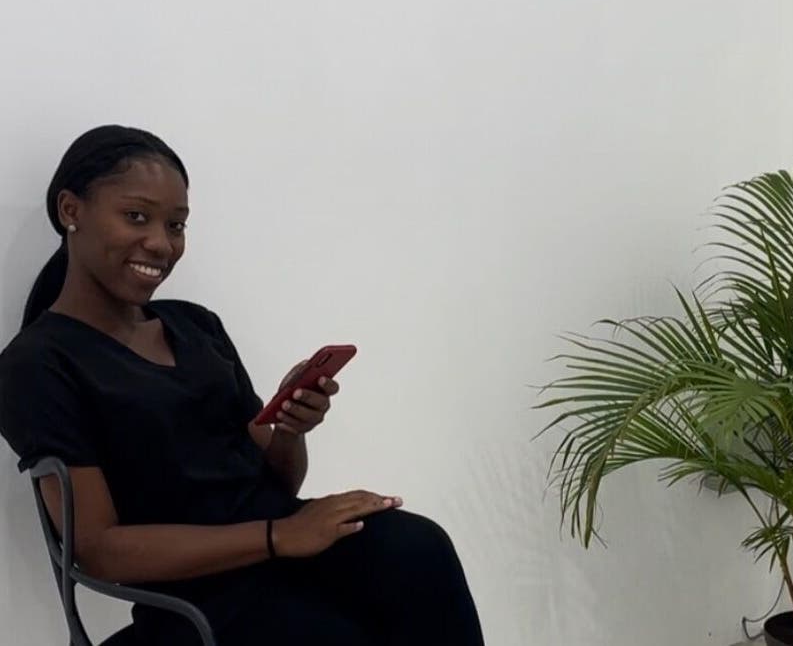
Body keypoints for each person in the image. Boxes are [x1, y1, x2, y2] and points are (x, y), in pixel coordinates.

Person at [0, 125, 484, 645]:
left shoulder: (195, 326)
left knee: (417, 548)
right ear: (70, 210)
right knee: (330, 634)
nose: (161, 244)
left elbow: (277, 484)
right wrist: (280, 536)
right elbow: (97, 548)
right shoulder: (38, 363)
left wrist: (290, 430)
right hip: (193, 596)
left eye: (177, 225)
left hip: (274, 550)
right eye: (136, 217)